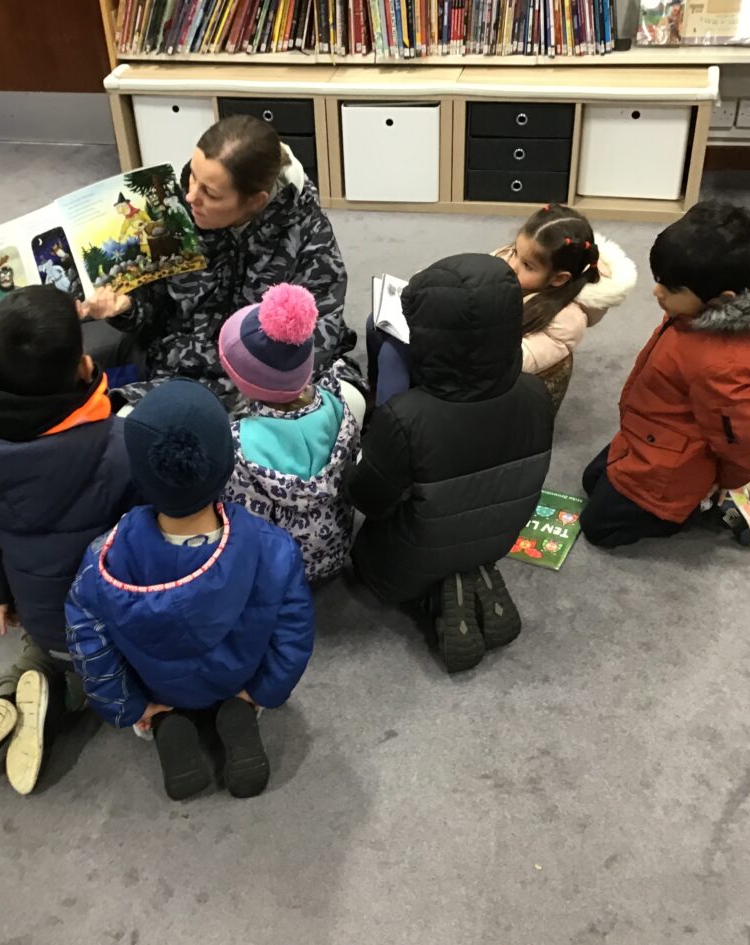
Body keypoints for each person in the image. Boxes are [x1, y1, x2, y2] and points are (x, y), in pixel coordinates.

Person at [0, 286, 140, 798]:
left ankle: (16, 688)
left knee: (45, 643)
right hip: (103, 617)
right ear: (84, 367)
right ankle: (60, 697)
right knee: (93, 665)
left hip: (35, 609)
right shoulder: (114, 442)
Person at [66, 380, 314, 801]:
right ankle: (240, 711)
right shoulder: (273, 548)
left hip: (161, 688)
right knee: (244, 690)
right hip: (239, 677)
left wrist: (131, 708)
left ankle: (165, 723)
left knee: (154, 703)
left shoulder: (102, 561)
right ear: (226, 462)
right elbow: (294, 633)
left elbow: (89, 646)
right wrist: (263, 690)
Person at [345, 254, 553, 674]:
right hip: (499, 540)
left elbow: (368, 498)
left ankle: (431, 593)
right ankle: (470, 571)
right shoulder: (536, 394)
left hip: (403, 562)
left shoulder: (407, 417)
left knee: (368, 560)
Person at [81, 115, 360, 414]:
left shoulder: (307, 233)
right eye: (193, 176)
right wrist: (127, 306)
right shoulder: (178, 210)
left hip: (258, 379)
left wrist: (249, 394)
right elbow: (155, 301)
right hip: (179, 363)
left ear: (256, 201)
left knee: (344, 403)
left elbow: (315, 338)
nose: (191, 196)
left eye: (210, 194)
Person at [579, 201, 750, 549]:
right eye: (660, 281)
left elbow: (746, 438)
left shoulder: (722, 366)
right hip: (653, 431)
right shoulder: (699, 312)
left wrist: (729, 479)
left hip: (677, 463)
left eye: (671, 288)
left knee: (598, 528)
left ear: (722, 299)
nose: (657, 292)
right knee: (591, 481)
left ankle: (706, 502)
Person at [366, 204, 636, 414]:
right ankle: (382, 397)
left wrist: (447, 338)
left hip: (478, 368)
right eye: (515, 252)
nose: (512, 264)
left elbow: (513, 361)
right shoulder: (505, 262)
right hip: (464, 337)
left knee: (394, 352)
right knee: (376, 322)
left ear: (558, 279)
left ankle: (390, 421)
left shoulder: (564, 321)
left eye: (528, 265)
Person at [218, 283, 361, 582]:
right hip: (338, 549)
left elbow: (247, 527)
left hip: (282, 572)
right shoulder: (337, 406)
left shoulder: (239, 445)